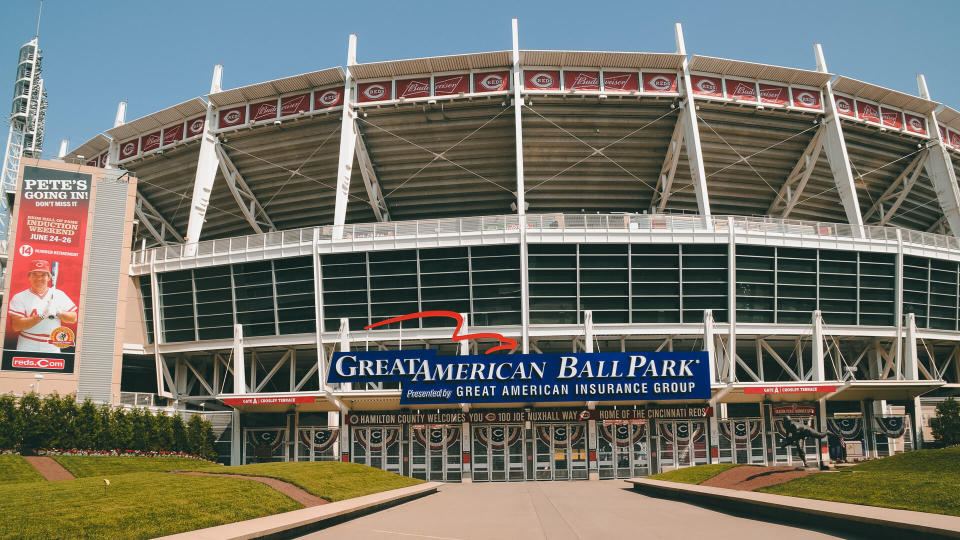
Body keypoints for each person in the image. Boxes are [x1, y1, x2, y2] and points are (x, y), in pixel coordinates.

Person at [7, 260, 77, 352]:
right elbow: (16, 326)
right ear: (29, 277)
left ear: (49, 277)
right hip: (28, 343)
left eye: (43, 275)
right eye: (35, 274)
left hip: (52, 344)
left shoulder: (59, 294)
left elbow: (73, 318)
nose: (39, 278)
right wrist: (42, 315)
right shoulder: (20, 297)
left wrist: (58, 312)